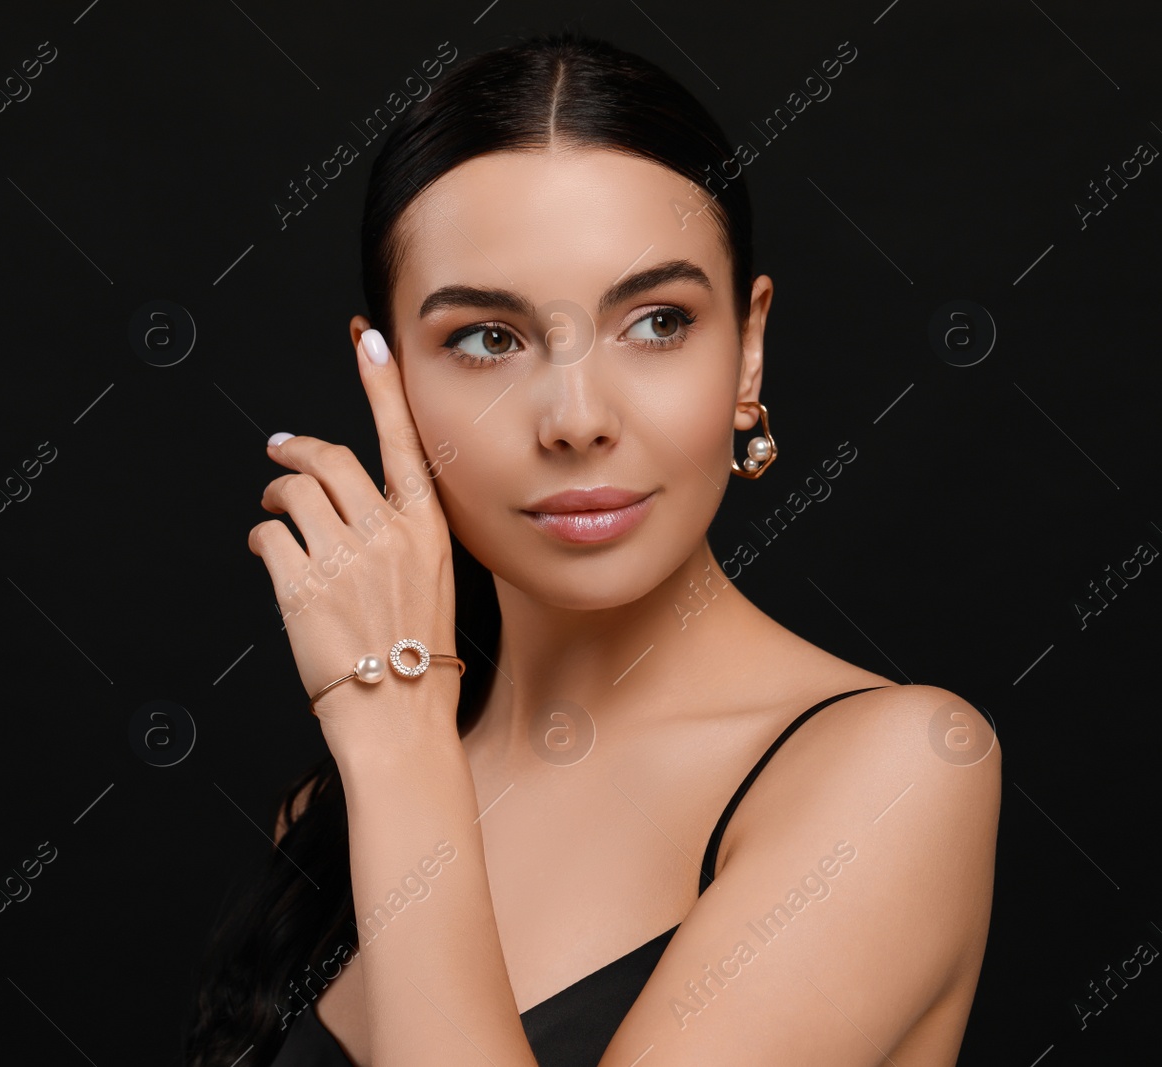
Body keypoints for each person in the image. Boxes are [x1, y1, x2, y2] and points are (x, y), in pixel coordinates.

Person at [187, 29, 1000, 1067]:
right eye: (487, 337)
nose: (575, 418)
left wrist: (396, 737)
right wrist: (395, 741)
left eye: (656, 321)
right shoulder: (345, 798)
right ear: (382, 376)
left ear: (747, 349)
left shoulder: (900, 769)